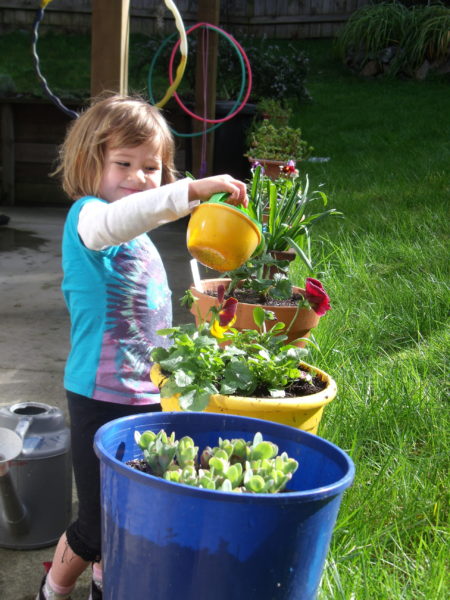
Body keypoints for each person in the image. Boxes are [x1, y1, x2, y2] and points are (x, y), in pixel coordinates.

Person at [36, 94, 248, 600]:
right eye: (123, 163)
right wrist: (189, 190)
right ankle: (53, 590)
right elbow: (121, 218)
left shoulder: (144, 238)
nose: (138, 176)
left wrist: (204, 311)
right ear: (91, 165)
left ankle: (105, 589)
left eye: (151, 167)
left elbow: (150, 313)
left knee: (131, 512)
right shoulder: (88, 218)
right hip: (99, 395)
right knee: (95, 523)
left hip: (147, 396)